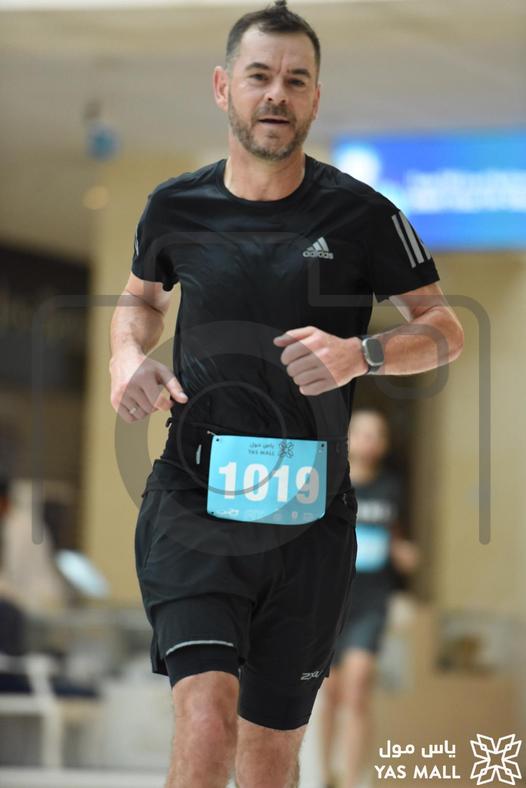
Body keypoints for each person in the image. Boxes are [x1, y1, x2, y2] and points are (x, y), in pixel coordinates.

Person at [108, 2, 464, 786]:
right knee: (207, 713)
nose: (277, 93)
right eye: (260, 76)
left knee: (270, 754)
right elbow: (140, 301)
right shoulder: (175, 206)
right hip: (195, 497)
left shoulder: (364, 216)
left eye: (296, 80)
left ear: (315, 97)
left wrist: (361, 354)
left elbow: (444, 329)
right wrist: (126, 358)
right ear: (223, 87)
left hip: (310, 515)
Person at [319, 409, 419, 788]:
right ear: (347, 438)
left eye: (378, 434)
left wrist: (403, 552)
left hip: (372, 602)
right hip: (331, 601)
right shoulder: (329, 483)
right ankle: (326, 774)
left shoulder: (393, 489)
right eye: (362, 433)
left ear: (385, 444)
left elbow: (395, 535)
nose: (369, 441)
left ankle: (350, 778)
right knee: (330, 693)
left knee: (357, 689)